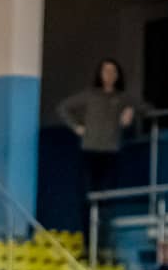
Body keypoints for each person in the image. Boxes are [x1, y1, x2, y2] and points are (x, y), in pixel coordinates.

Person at [57, 59, 145, 255]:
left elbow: (146, 109)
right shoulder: (90, 95)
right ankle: (88, 246)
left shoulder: (123, 98)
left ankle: (104, 245)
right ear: (99, 73)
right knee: (87, 200)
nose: (109, 75)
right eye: (105, 71)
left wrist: (130, 115)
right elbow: (63, 107)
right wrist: (77, 127)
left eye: (113, 71)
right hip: (89, 152)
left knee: (106, 202)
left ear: (118, 75)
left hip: (111, 153)